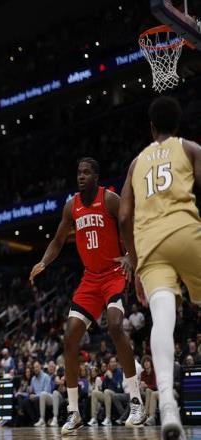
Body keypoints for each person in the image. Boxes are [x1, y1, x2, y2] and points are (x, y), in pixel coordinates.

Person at [30, 157, 146, 435]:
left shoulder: (110, 200)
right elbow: (58, 240)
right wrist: (44, 262)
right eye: (78, 172)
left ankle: (136, 401)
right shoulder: (72, 206)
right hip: (90, 279)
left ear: (96, 176)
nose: (80, 176)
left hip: (114, 273)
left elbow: (132, 225)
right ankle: (73, 412)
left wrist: (130, 256)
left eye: (86, 172)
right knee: (70, 336)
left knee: (115, 325)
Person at [119, 96, 201, 440]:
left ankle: (166, 402)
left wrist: (136, 261)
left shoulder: (136, 163)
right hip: (186, 232)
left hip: (150, 245)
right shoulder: (190, 148)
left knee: (163, 319)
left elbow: (124, 217)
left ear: (151, 127)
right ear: (177, 126)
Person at [20, 361, 52, 426]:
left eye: (37, 367)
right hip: (36, 397)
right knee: (26, 401)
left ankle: (41, 420)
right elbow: (31, 391)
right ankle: (34, 421)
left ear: (40, 367)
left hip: (45, 397)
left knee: (37, 399)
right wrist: (27, 392)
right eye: (34, 367)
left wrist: (35, 395)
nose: (35, 369)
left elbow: (47, 391)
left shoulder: (46, 377)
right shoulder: (33, 379)